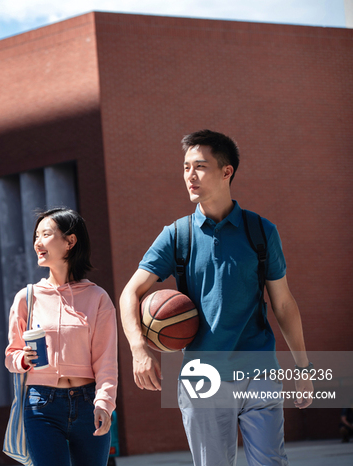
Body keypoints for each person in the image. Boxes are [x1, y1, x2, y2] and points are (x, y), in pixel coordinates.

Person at [119, 129, 313, 466]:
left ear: (227, 172)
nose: (189, 176)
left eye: (200, 167)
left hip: (258, 372)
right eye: (185, 167)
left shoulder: (261, 231)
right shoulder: (176, 235)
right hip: (201, 378)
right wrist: (138, 349)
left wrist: (303, 367)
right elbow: (130, 293)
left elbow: (283, 304)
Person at [5, 208, 118, 466]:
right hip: (41, 405)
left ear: (70, 242)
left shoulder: (97, 297)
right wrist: (24, 359)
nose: (37, 242)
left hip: (89, 403)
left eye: (46, 234)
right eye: (36, 236)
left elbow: (106, 361)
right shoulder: (27, 297)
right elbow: (11, 355)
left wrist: (104, 403)